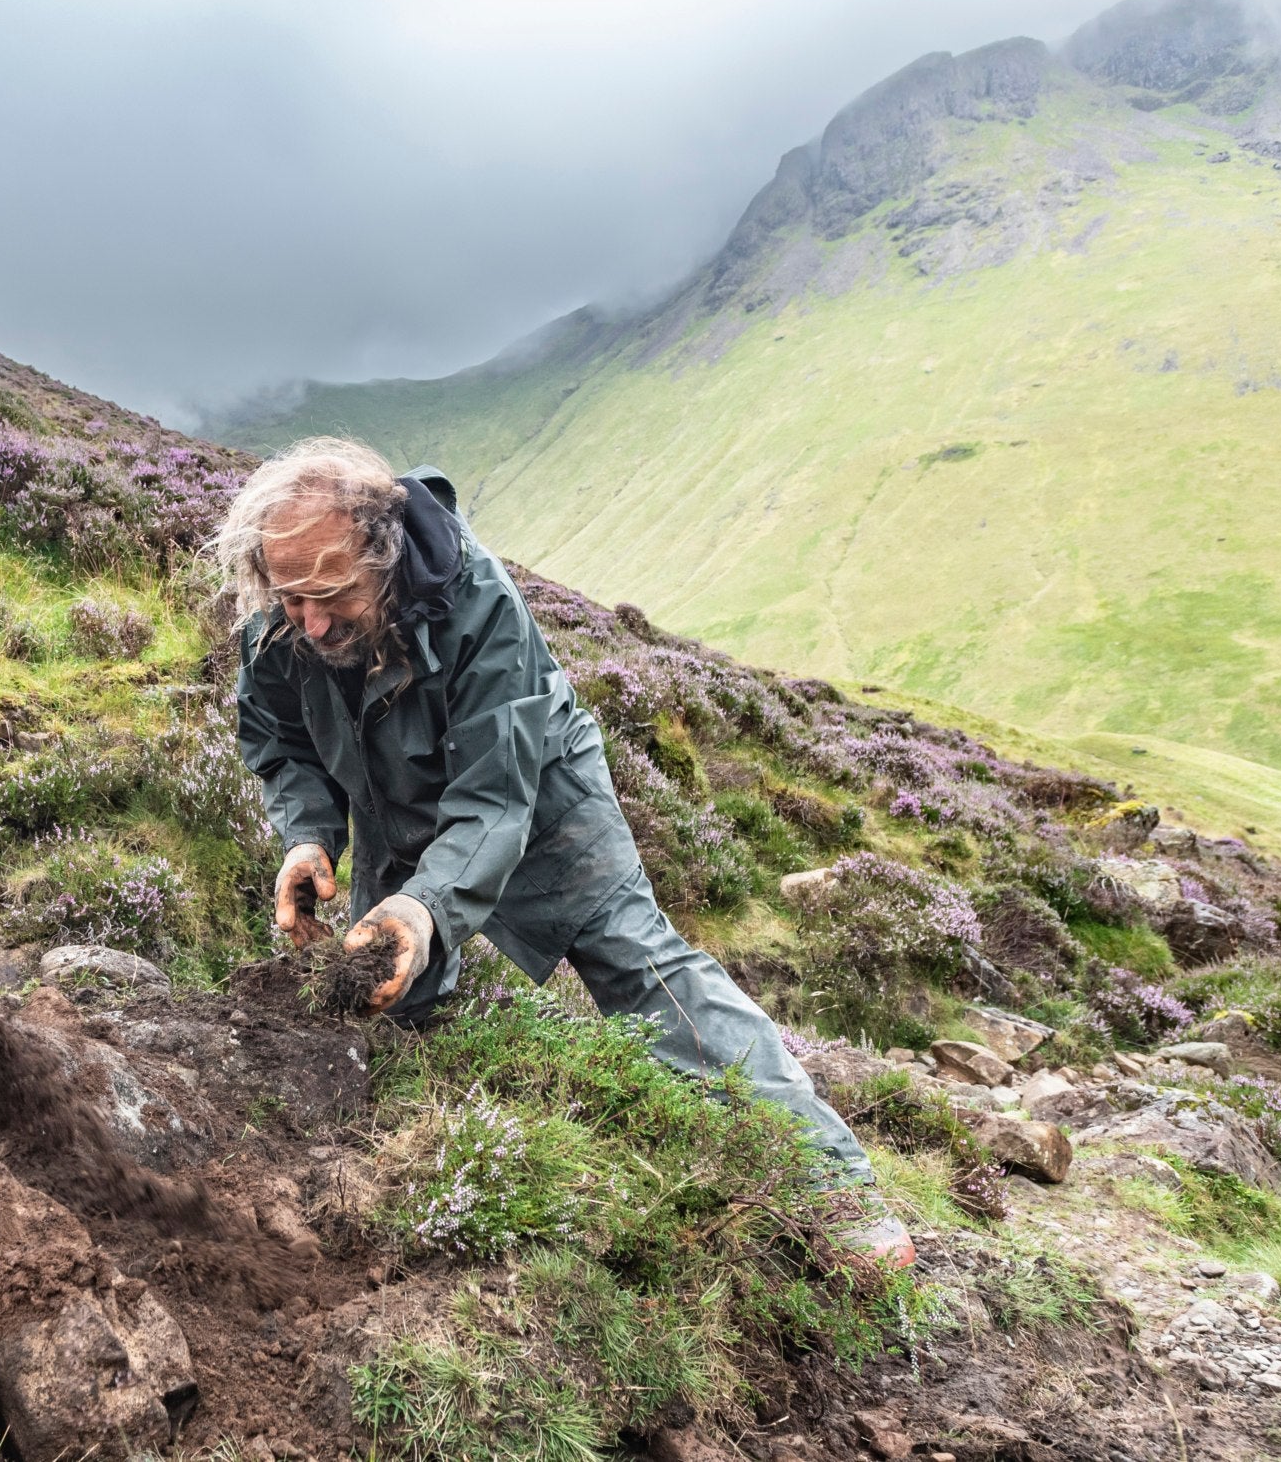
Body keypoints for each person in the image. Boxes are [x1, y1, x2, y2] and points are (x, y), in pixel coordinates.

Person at [218, 438, 914, 1265]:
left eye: (331, 595)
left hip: (537, 793)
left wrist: (423, 903)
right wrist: (309, 835)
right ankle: (424, 1155)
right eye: (291, 598)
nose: (312, 622)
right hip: (394, 803)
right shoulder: (290, 604)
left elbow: (491, 800)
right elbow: (280, 739)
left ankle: (832, 1188)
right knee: (387, 986)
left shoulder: (479, 604)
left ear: (384, 551)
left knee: (643, 967)